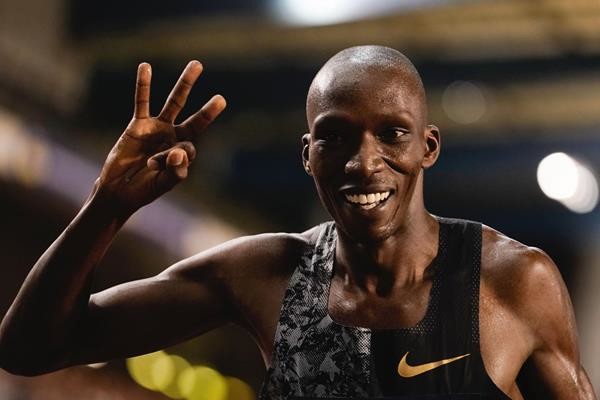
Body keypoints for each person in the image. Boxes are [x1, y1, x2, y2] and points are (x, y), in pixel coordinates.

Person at [0, 46, 596, 399]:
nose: (364, 163)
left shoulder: (513, 281)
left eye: (392, 133)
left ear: (428, 147)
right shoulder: (267, 275)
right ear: (308, 155)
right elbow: (28, 348)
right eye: (336, 137)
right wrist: (106, 205)